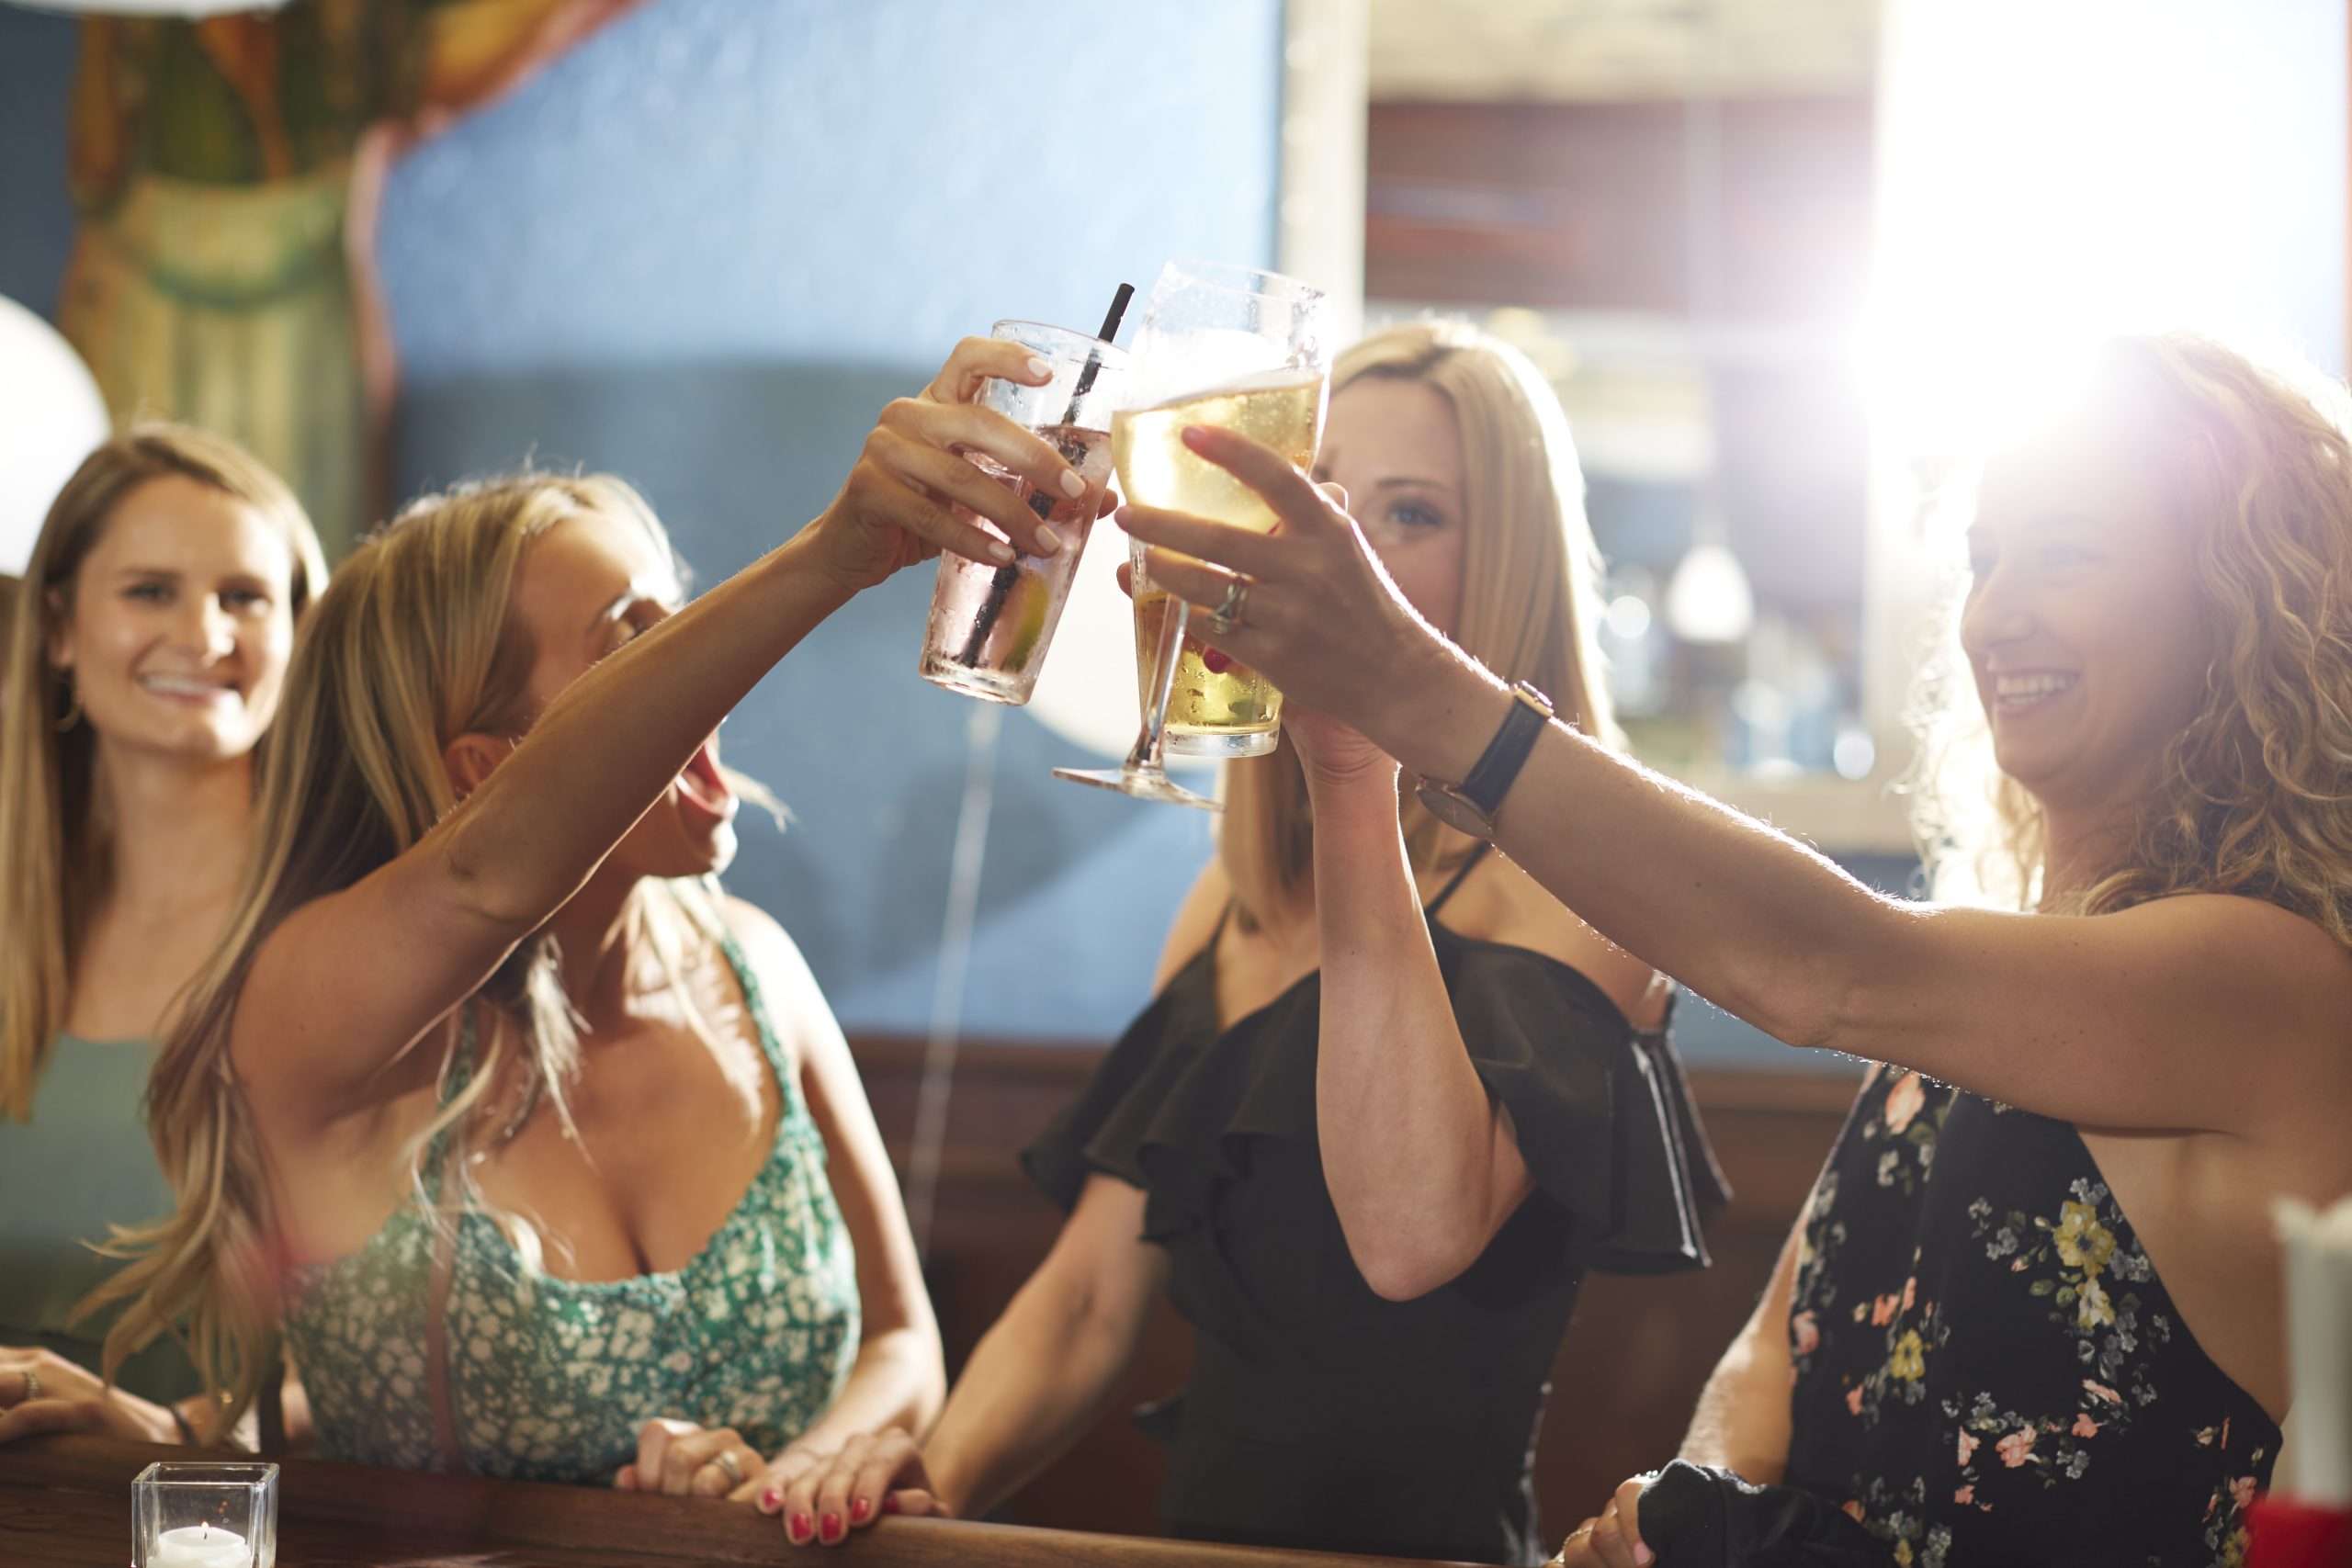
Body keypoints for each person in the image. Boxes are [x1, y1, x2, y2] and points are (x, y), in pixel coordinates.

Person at [1114, 332, 2350, 1566]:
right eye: (1984, 559)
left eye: (2066, 554)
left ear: (2238, 598)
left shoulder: (2271, 984)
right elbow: (1773, 1355)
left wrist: (1404, 683)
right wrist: (1683, 1508)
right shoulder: (1998, 987)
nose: (1997, 613)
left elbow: (1822, 962)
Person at [2, 339, 1086, 1492]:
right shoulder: (325, 1012)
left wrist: (797, 1483)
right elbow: (490, 881)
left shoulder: (755, 970)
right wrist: (832, 556)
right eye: (635, 638)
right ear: (486, 770)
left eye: (676, 618)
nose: (698, 668)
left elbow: (899, 1339)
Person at [783, 322, 1726, 1564]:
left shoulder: (1580, 896)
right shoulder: (1226, 904)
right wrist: (927, 1476)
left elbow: (1408, 1236)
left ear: (1512, 568)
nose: (1339, 545)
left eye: (1412, 514)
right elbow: (1081, 1303)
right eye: (1320, 498)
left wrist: (1353, 752)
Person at [0, 426, 327, 1431]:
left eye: (244, 597)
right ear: (57, 627)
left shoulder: (352, 938)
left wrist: (185, 1433)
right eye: (150, 591)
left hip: (230, 1527)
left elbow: (463, 1347)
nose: (203, 635)